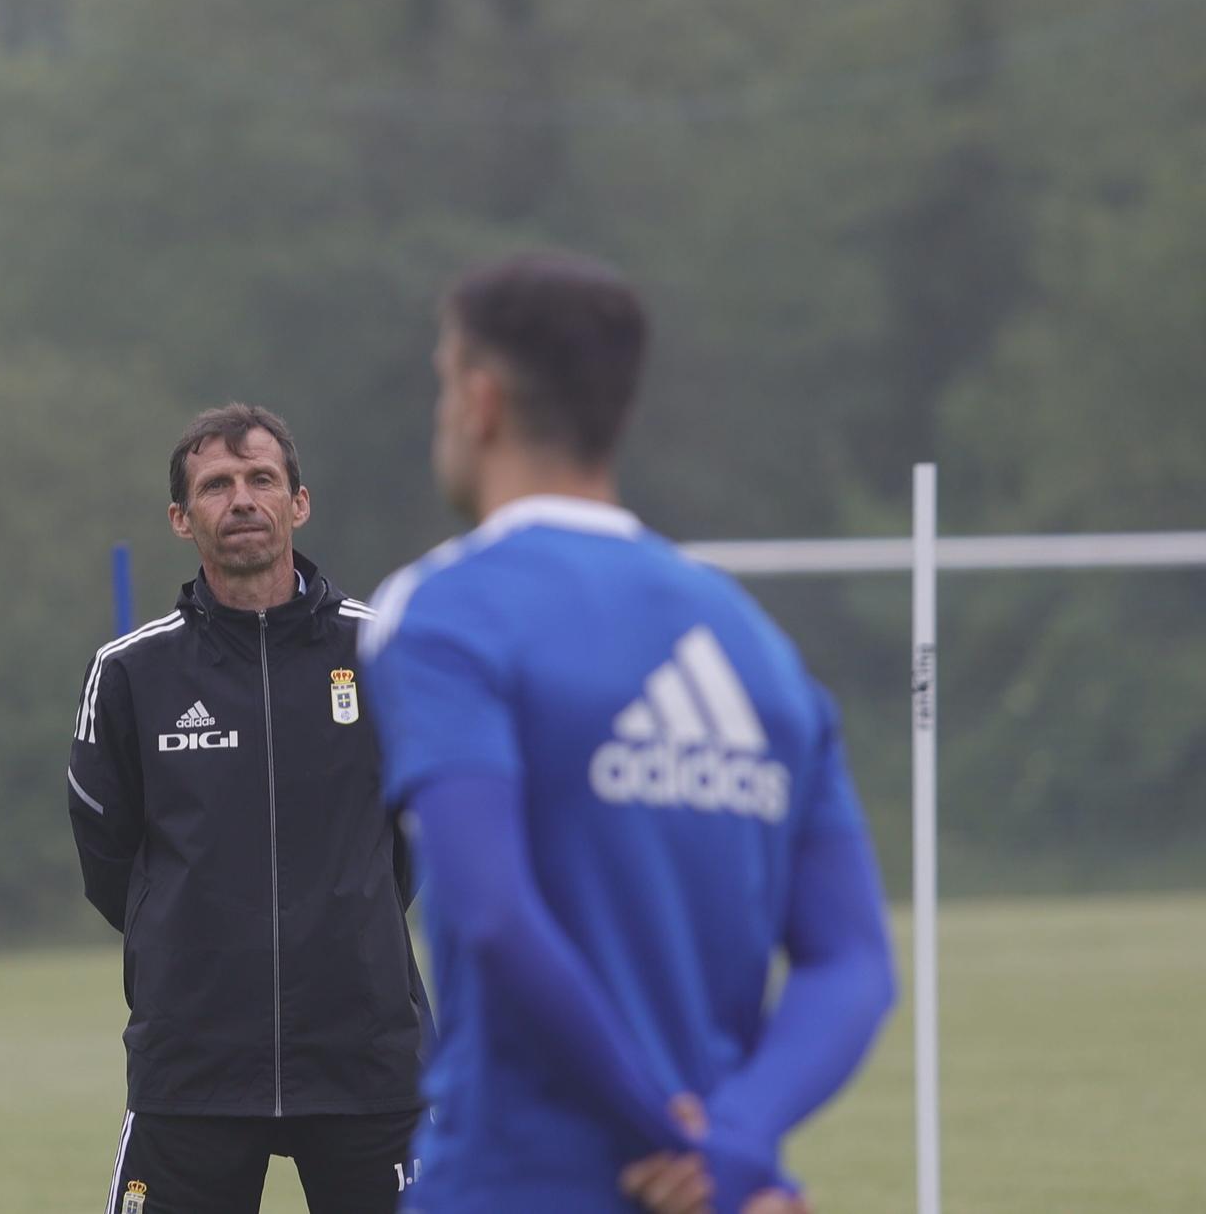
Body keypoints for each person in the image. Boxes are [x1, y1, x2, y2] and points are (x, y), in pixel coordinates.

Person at [358, 252, 896, 1214]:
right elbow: (853, 960)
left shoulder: (445, 612)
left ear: (479, 401)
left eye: (442, 380)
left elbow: (492, 911)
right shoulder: (758, 648)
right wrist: (732, 1142)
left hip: (514, 1184)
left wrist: (663, 1127)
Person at [68, 403, 429, 1214]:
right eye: (216, 484)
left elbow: (415, 841)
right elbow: (110, 856)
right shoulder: (131, 672)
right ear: (179, 516)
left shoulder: (385, 655)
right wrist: (191, 943)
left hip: (363, 1059)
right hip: (193, 1065)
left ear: (298, 503)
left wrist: (346, 929)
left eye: (261, 479)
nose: (241, 499)